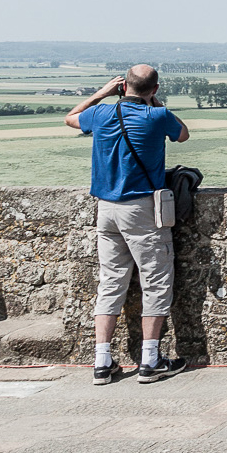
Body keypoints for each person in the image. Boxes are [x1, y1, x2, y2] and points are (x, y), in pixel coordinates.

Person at [64, 65, 191, 385]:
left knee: (110, 282)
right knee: (156, 281)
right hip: (142, 210)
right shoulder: (157, 116)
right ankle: (150, 360)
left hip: (106, 209)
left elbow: (70, 118)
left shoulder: (102, 113)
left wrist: (101, 94)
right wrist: (157, 103)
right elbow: (183, 133)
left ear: (122, 87)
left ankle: (102, 362)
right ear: (155, 88)